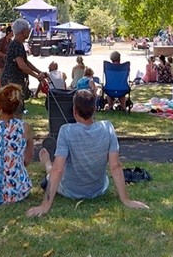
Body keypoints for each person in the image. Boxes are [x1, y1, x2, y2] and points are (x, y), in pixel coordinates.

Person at [26, 89, 149, 217]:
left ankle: (46, 163)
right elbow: (115, 166)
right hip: (99, 188)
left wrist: (45, 206)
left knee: (51, 172)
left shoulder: (66, 131)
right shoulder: (108, 128)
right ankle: (47, 164)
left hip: (70, 190)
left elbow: (57, 170)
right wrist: (126, 200)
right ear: (94, 109)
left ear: (74, 110)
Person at [1, 18, 47, 108]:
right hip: (12, 81)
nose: (29, 31)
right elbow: (22, 65)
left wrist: (39, 71)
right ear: (23, 31)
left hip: (15, 81)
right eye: (28, 28)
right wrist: (37, 76)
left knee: (17, 107)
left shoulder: (19, 44)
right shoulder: (16, 44)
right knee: (14, 108)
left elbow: (25, 62)